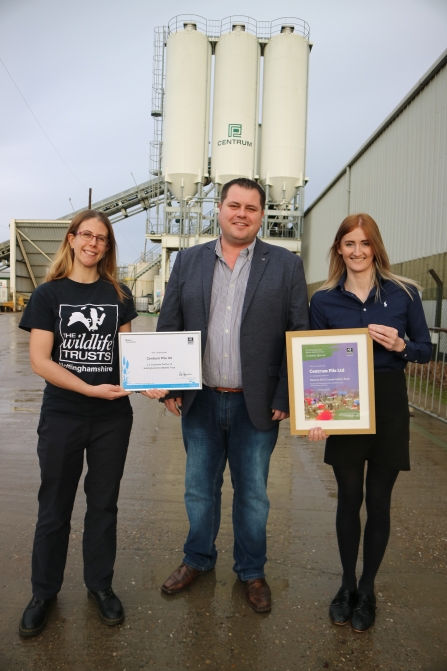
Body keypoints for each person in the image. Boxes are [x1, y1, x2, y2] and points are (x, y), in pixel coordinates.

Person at [156, 178, 309, 612]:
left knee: (254, 494)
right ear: (219, 209)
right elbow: (169, 325)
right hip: (200, 399)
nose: (242, 214)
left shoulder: (284, 264)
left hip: (256, 403)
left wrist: (286, 393)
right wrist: (170, 384)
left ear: (262, 215)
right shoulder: (187, 261)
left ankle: (252, 570)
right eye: (234, 205)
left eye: (252, 208)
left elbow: (298, 331)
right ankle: (197, 558)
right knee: (199, 490)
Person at [18, 210, 166, 637]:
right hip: (63, 415)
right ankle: (43, 592)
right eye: (86, 235)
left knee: (103, 505)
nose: (93, 243)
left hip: (111, 419)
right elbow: (40, 361)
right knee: (55, 507)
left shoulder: (118, 294)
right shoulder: (48, 296)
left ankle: (100, 586)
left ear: (107, 246)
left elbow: (128, 354)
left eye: (101, 238)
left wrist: (150, 382)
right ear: (71, 239)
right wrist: (87, 389)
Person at [309, 213, 431, 632]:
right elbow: (314, 361)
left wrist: (401, 345)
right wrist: (315, 413)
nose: (357, 251)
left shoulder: (404, 294)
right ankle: (345, 584)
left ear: (375, 247)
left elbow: (426, 350)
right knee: (349, 497)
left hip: (390, 403)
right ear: (338, 249)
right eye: (349, 244)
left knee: (379, 501)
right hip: (344, 406)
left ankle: (368, 588)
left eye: (364, 243)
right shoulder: (323, 301)